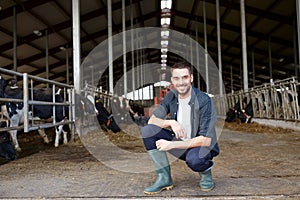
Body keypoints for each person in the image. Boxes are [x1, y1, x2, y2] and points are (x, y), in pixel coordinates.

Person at [141, 62, 220, 194]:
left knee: (195, 160)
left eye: (185, 77)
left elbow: (206, 140)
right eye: (177, 78)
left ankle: (205, 173)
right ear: (172, 80)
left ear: (191, 78)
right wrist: (171, 122)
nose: (181, 82)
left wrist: (171, 145)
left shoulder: (204, 100)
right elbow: (152, 120)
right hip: (180, 142)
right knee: (148, 131)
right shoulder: (171, 96)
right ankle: (164, 178)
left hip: (199, 147)